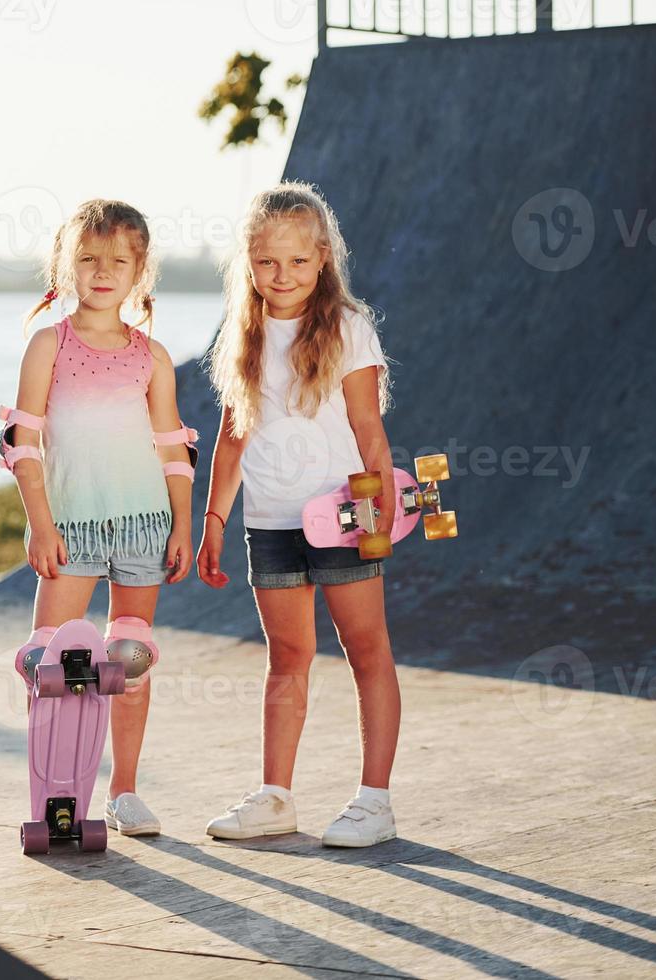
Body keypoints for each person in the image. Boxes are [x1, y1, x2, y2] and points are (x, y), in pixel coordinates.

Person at [197, 181, 400, 847]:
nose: (281, 277)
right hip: (271, 523)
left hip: (342, 515)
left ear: (323, 260)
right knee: (287, 657)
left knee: (366, 650)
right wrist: (215, 523)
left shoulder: (348, 328)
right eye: (266, 262)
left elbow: (369, 430)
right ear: (248, 263)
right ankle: (276, 797)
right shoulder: (243, 335)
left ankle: (374, 802)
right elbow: (233, 436)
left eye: (297, 262)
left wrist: (379, 514)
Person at [0, 199, 197, 837]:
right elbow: (22, 445)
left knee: (131, 656)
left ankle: (126, 790)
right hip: (72, 524)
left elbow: (173, 450)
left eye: (118, 260)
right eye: (87, 258)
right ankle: (57, 795)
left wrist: (183, 525)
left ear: (140, 271)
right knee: (46, 664)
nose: (102, 271)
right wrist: (41, 522)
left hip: (143, 525)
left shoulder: (152, 356)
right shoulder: (47, 345)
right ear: (66, 265)